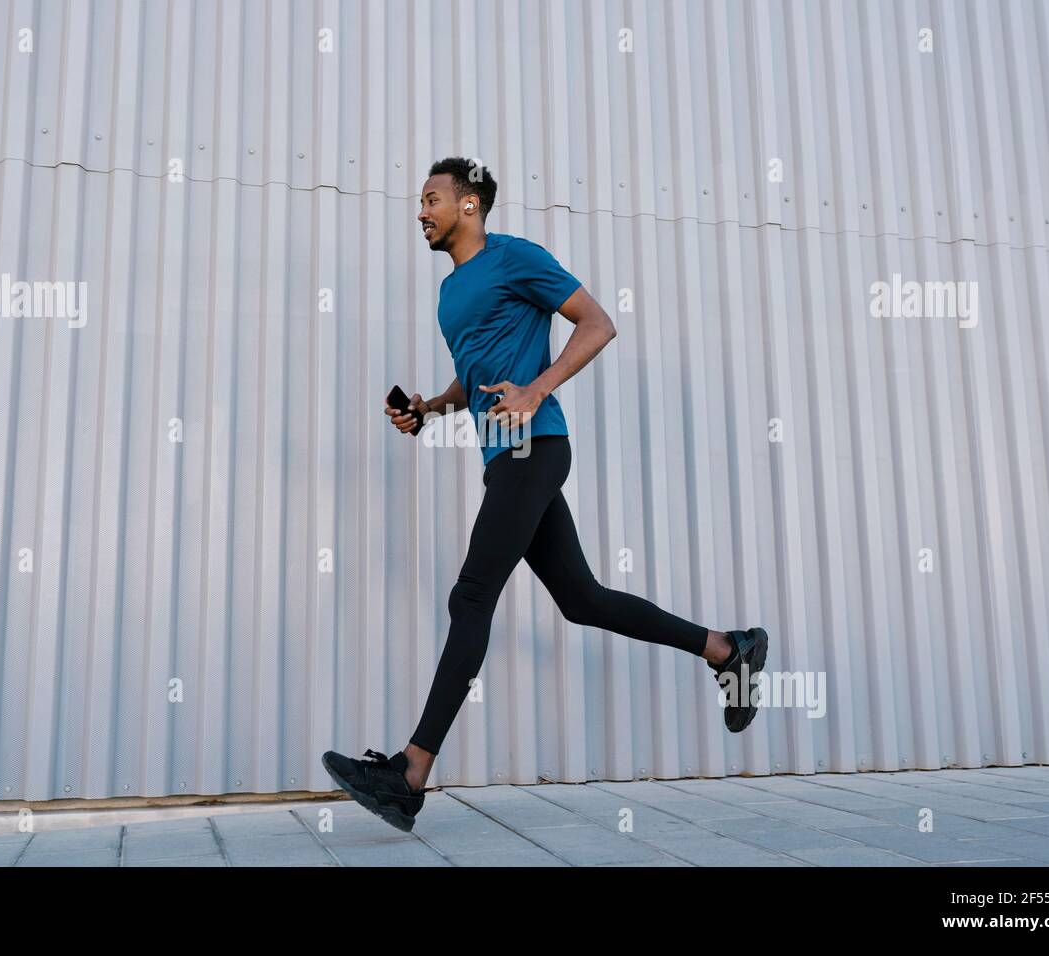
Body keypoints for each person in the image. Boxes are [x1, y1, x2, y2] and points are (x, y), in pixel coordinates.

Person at [322, 157, 768, 832]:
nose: (420, 212)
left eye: (432, 200)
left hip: (535, 451)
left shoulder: (514, 258)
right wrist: (430, 407)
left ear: (469, 205)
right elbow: (474, 378)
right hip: (506, 460)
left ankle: (410, 772)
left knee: (470, 597)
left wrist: (538, 389)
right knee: (582, 599)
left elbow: (597, 323)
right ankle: (727, 649)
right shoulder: (452, 293)